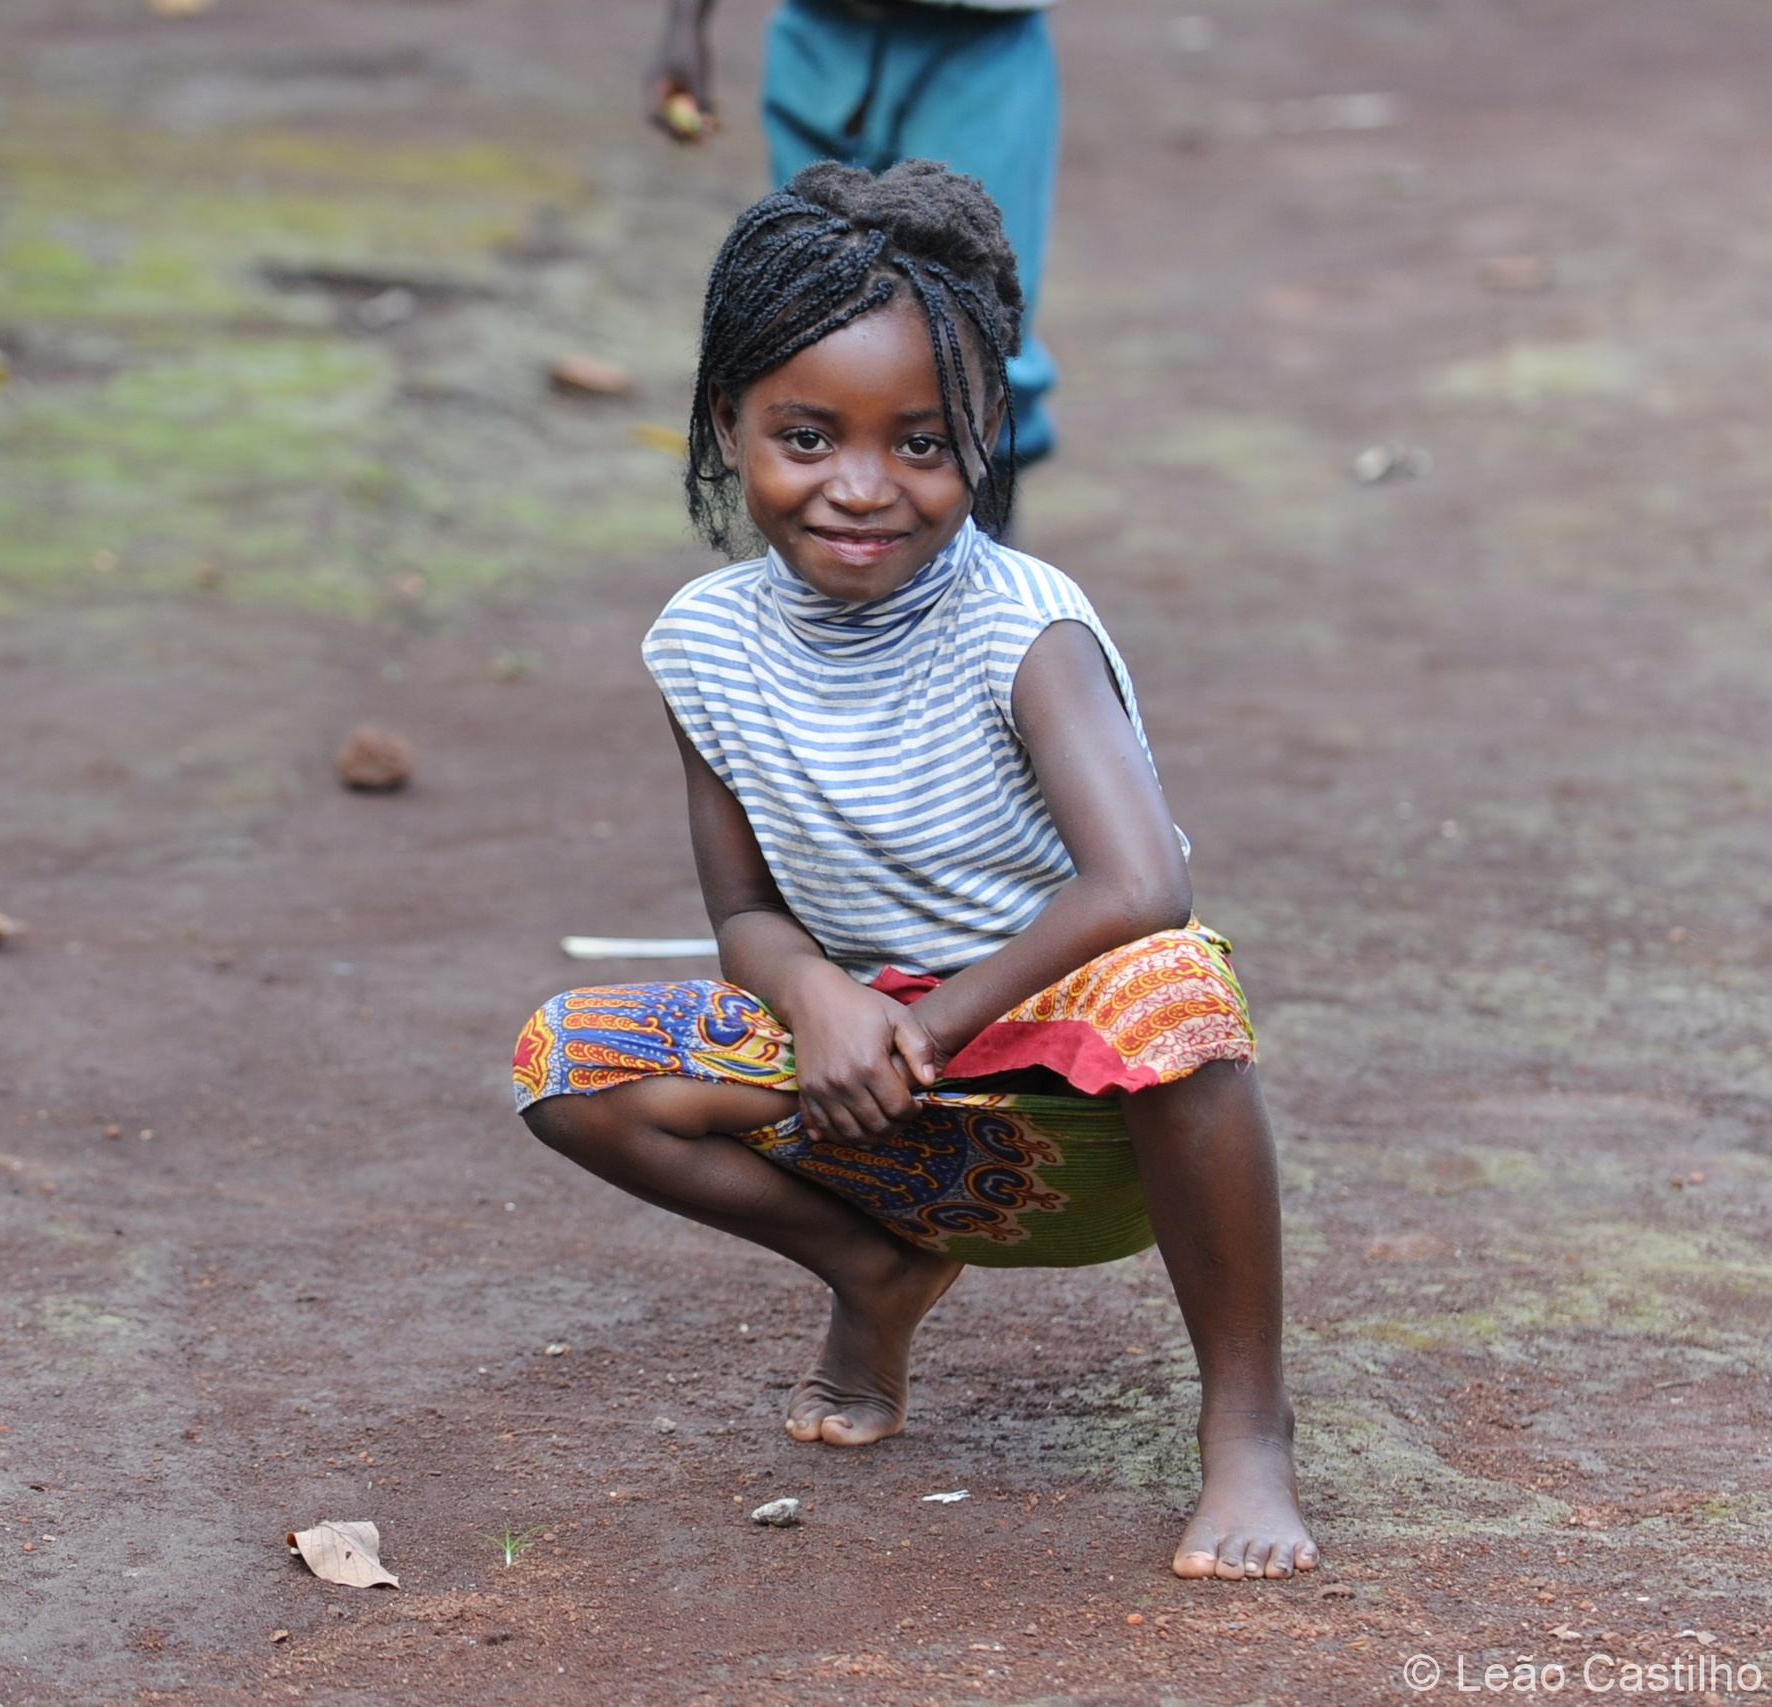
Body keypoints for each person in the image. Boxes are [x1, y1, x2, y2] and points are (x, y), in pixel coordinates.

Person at [511, 161, 1317, 1580]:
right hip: (861, 1078)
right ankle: (875, 1269)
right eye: (807, 436)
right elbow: (744, 909)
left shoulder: (1025, 625)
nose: (862, 487)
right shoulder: (702, 643)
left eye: (921, 442)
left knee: (1181, 994)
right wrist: (822, 1000)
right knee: (564, 1064)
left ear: (987, 435)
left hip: (1056, 1057)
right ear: (726, 424)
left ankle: (1248, 1426)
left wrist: (927, 1024)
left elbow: (1140, 884)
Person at [648, 0, 1062, 474]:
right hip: (821, 34)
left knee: (974, 332)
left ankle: (981, 530)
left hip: (985, 40)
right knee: (808, 311)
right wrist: (686, 22)